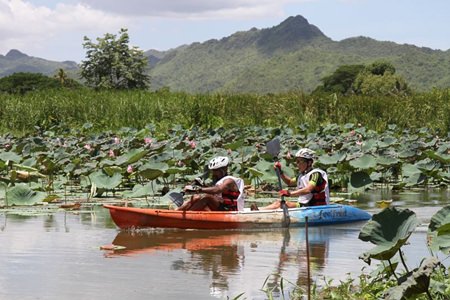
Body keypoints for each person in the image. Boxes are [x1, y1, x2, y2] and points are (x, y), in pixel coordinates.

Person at [257, 148, 330, 210]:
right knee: (278, 203)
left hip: (317, 207)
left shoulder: (316, 174)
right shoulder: (301, 176)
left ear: (309, 162)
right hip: (305, 205)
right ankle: (258, 210)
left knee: (280, 204)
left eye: (299, 161)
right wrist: (280, 172)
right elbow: (289, 182)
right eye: (296, 161)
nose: (297, 164)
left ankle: (258, 211)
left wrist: (290, 193)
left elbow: (308, 189)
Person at [177, 156, 245, 211]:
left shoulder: (229, 181)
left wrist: (199, 189)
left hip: (231, 210)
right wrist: (200, 185)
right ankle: (177, 211)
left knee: (206, 197)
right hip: (221, 207)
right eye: (212, 171)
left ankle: (188, 216)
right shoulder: (219, 181)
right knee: (196, 197)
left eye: (216, 170)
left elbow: (217, 189)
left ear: (224, 170)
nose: (213, 173)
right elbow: (213, 191)